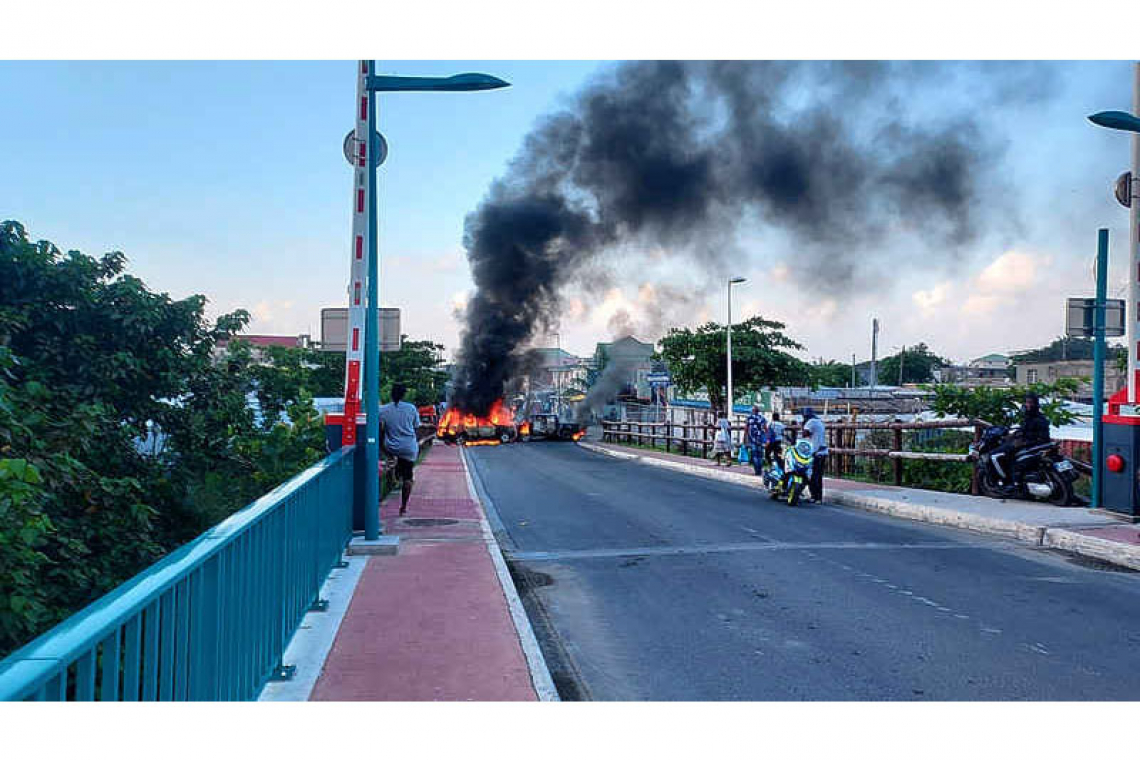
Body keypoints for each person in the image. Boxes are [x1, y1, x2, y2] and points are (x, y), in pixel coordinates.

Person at [378, 382, 423, 516]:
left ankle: (391, 463)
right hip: (408, 447)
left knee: (382, 440)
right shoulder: (411, 408)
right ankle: (403, 506)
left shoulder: (383, 410)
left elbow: (376, 424)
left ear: (391, 395)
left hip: (390, 447)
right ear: (404, 394)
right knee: (408, 476)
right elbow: (416, 427)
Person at [991, 391, 1051, 484]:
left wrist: (1020, 440)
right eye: (1026, 402)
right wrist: (1014, 435)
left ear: (1035, 404)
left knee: (997, 453)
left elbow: (1029, 433)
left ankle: (1008, 480)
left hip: (1031, 444)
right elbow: (1023, 430)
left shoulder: (1034, 417)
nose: (1027, 405)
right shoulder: (1037, 416)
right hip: (1035, 444)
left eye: (1029, 402)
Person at [800, 407, 828, 503]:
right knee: (818, 476)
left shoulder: (810, 422)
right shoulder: (819, 421)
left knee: (811, 475)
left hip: (816, 453)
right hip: (823, 451)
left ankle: (814, 496)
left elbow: (805, 434)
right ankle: (818, 497)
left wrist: (802, 426)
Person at [745, 404, 768, 475]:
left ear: (753, 411)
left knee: (754, 455)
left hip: (752, 438)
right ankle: (759, 470)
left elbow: (746, 429)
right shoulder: (762, 418)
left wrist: (745, 438)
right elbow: (765, 429)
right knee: (760, 455)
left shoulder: (749, 418)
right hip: (760, 438)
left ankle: (756, 470)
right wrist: (766, 438)